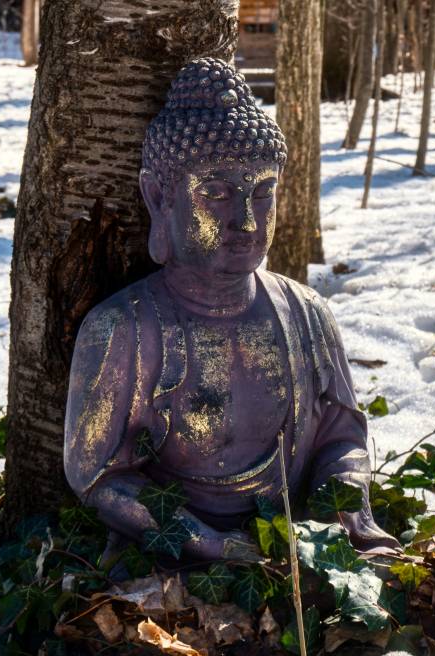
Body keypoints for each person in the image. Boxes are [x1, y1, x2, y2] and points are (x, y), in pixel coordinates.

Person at [63, 58, 399, 565]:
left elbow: (342, 437)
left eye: (262, 193)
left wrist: (343, 513)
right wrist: (210, 544)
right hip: (182, 560)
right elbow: (97, 475)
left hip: (295, 547)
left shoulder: (307, 314)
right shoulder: (124, 329)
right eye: (216, 194)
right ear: (158, 197)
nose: (245, 221)